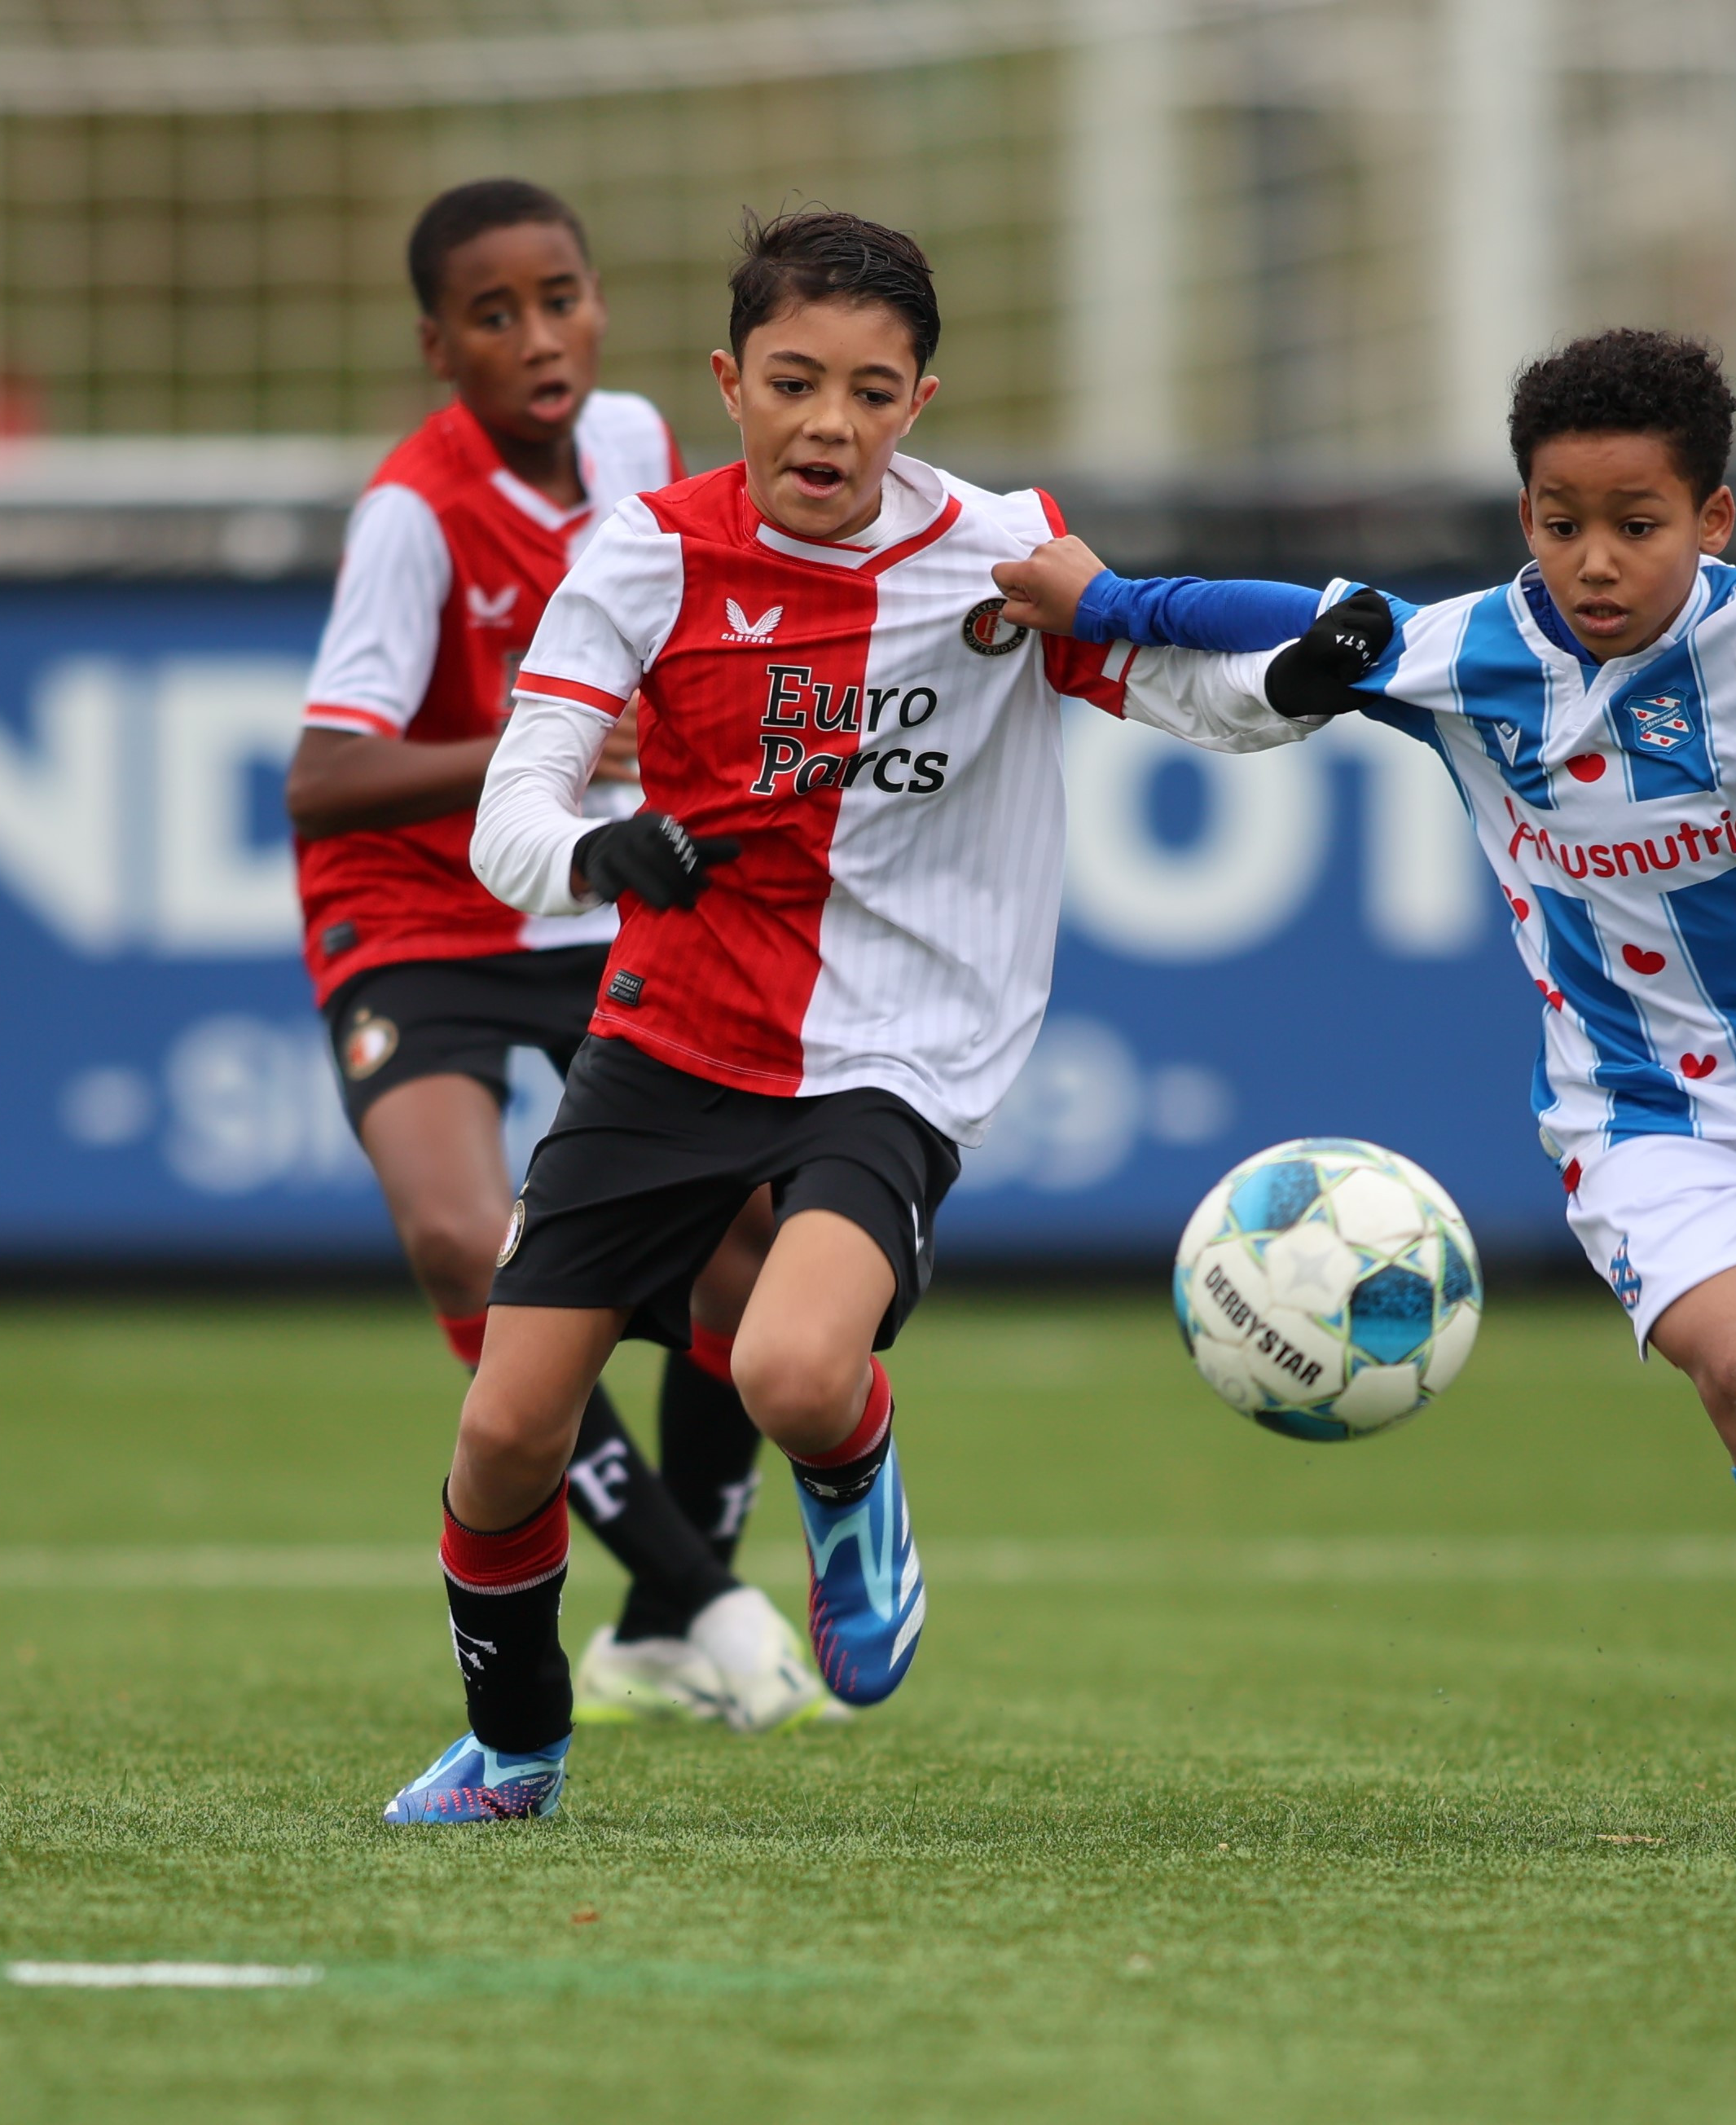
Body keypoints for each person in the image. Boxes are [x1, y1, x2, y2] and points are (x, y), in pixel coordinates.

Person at [988, 328, 1736, 1843]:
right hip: (1628, 1118)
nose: (1592, 562)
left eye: (1635, 524)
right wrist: (1111, 601)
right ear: (1522, 511)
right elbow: (1308, 617)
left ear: (1712, 521)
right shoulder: (1479, 654)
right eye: (1557, 521)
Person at [382, 207, 1320, 1823]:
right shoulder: (646, 553)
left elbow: (1180, 693)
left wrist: (1297, 686)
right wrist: (599, 847)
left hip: (895, 1042)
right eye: (797, 382)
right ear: (728, 381)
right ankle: (516, 1745)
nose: (831, 424)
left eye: (872, 393)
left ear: (919, 401)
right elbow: (509, 817)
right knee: (505, 1435)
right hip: (668, 1036)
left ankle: (851, 1487)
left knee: (796, 1369)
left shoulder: (1000, 548)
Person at [288, 178, 820, 1737]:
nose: (541, 336)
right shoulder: (412, 511)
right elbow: (324, 777)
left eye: (563, 297)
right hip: (419, 917)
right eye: (496, 313)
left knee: (752, 1230)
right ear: (435, 343)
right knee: (469, 1240)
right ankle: (704, 1597)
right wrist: (551, 750)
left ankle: (667, 1616)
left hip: (594, 897)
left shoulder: (646, 447)